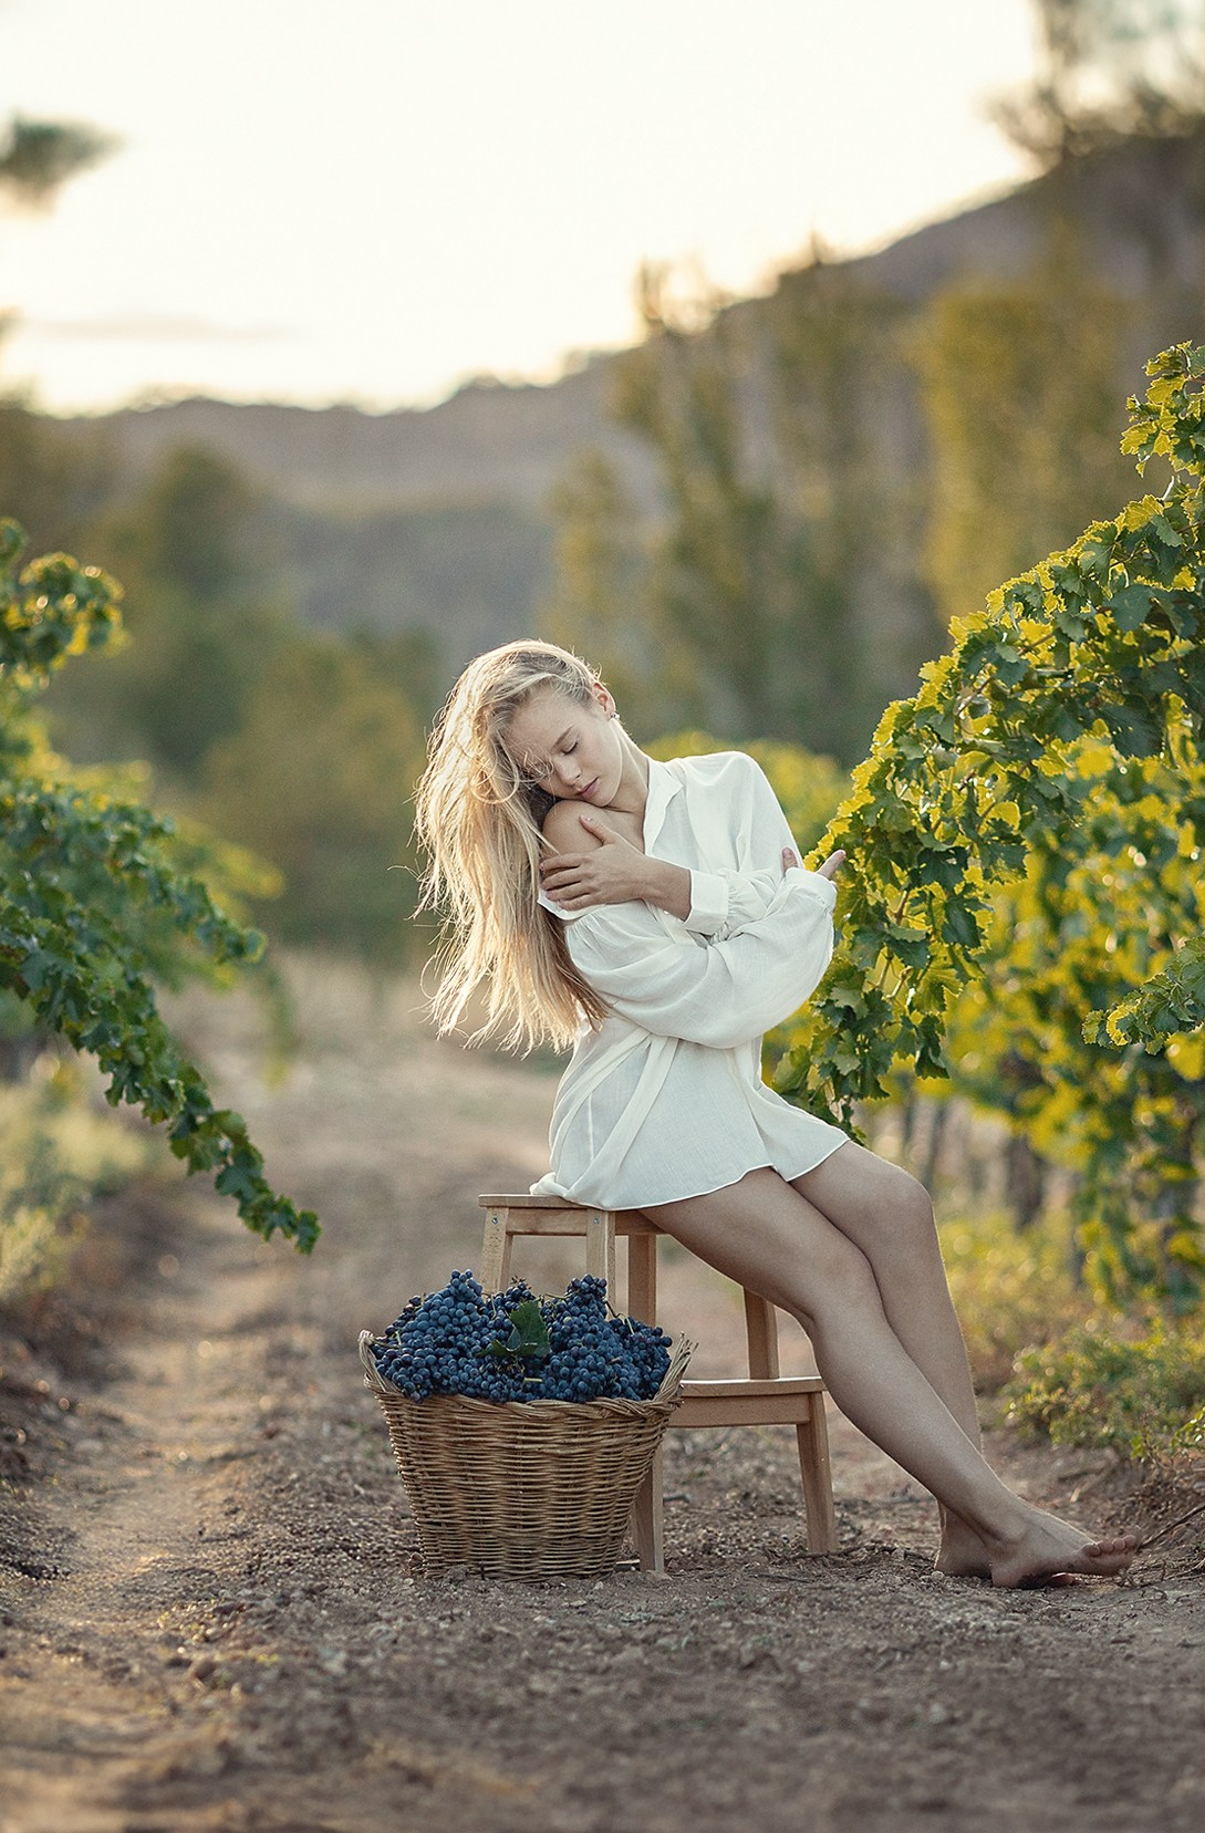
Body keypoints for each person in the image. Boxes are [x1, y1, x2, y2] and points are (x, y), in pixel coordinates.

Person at [413, 638, 1140, 1589]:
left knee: (899, 1208)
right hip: (644, 1117)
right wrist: (778, 904)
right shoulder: (569, 854)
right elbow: (731, 994)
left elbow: (797, 959)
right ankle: (1006, 1526)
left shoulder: (730, 786)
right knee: (835, 1276)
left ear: (600, 697)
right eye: (535, 769)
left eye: (566, 744)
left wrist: (670, 886)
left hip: (730, 1096)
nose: (563, 776)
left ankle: (967, 1523)